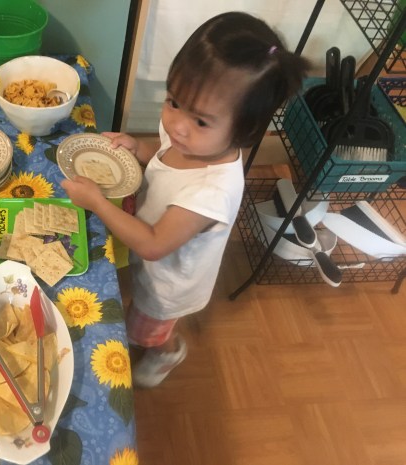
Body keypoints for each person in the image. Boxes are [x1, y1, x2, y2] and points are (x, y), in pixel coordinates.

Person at [61, 12, 309, 388]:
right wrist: (138, 148)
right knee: (134, 303)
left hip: (168, 284)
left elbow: (154, 244)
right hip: (150, 251)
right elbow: (163, 156)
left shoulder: (211, 192)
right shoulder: (190, 138)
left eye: (201, 121)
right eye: (173, 101)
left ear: (244, 130)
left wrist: (97, 202)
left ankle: (168, 352)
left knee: (146, 330)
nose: (177, 125)